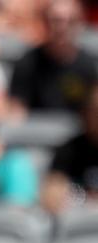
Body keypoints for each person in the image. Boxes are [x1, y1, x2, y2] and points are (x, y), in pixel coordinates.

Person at [9, 0, 98, 115]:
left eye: (70, 21)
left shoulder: (89, 65)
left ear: (80, 24)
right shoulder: (27, 63)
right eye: (56, 21)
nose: (62, 27)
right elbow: (17, 111)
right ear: (45, 22)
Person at [41, 81, 98, 211]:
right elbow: (51, 199)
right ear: (84, 114)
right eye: (95, 111)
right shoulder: (68, 151)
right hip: (80, 223)